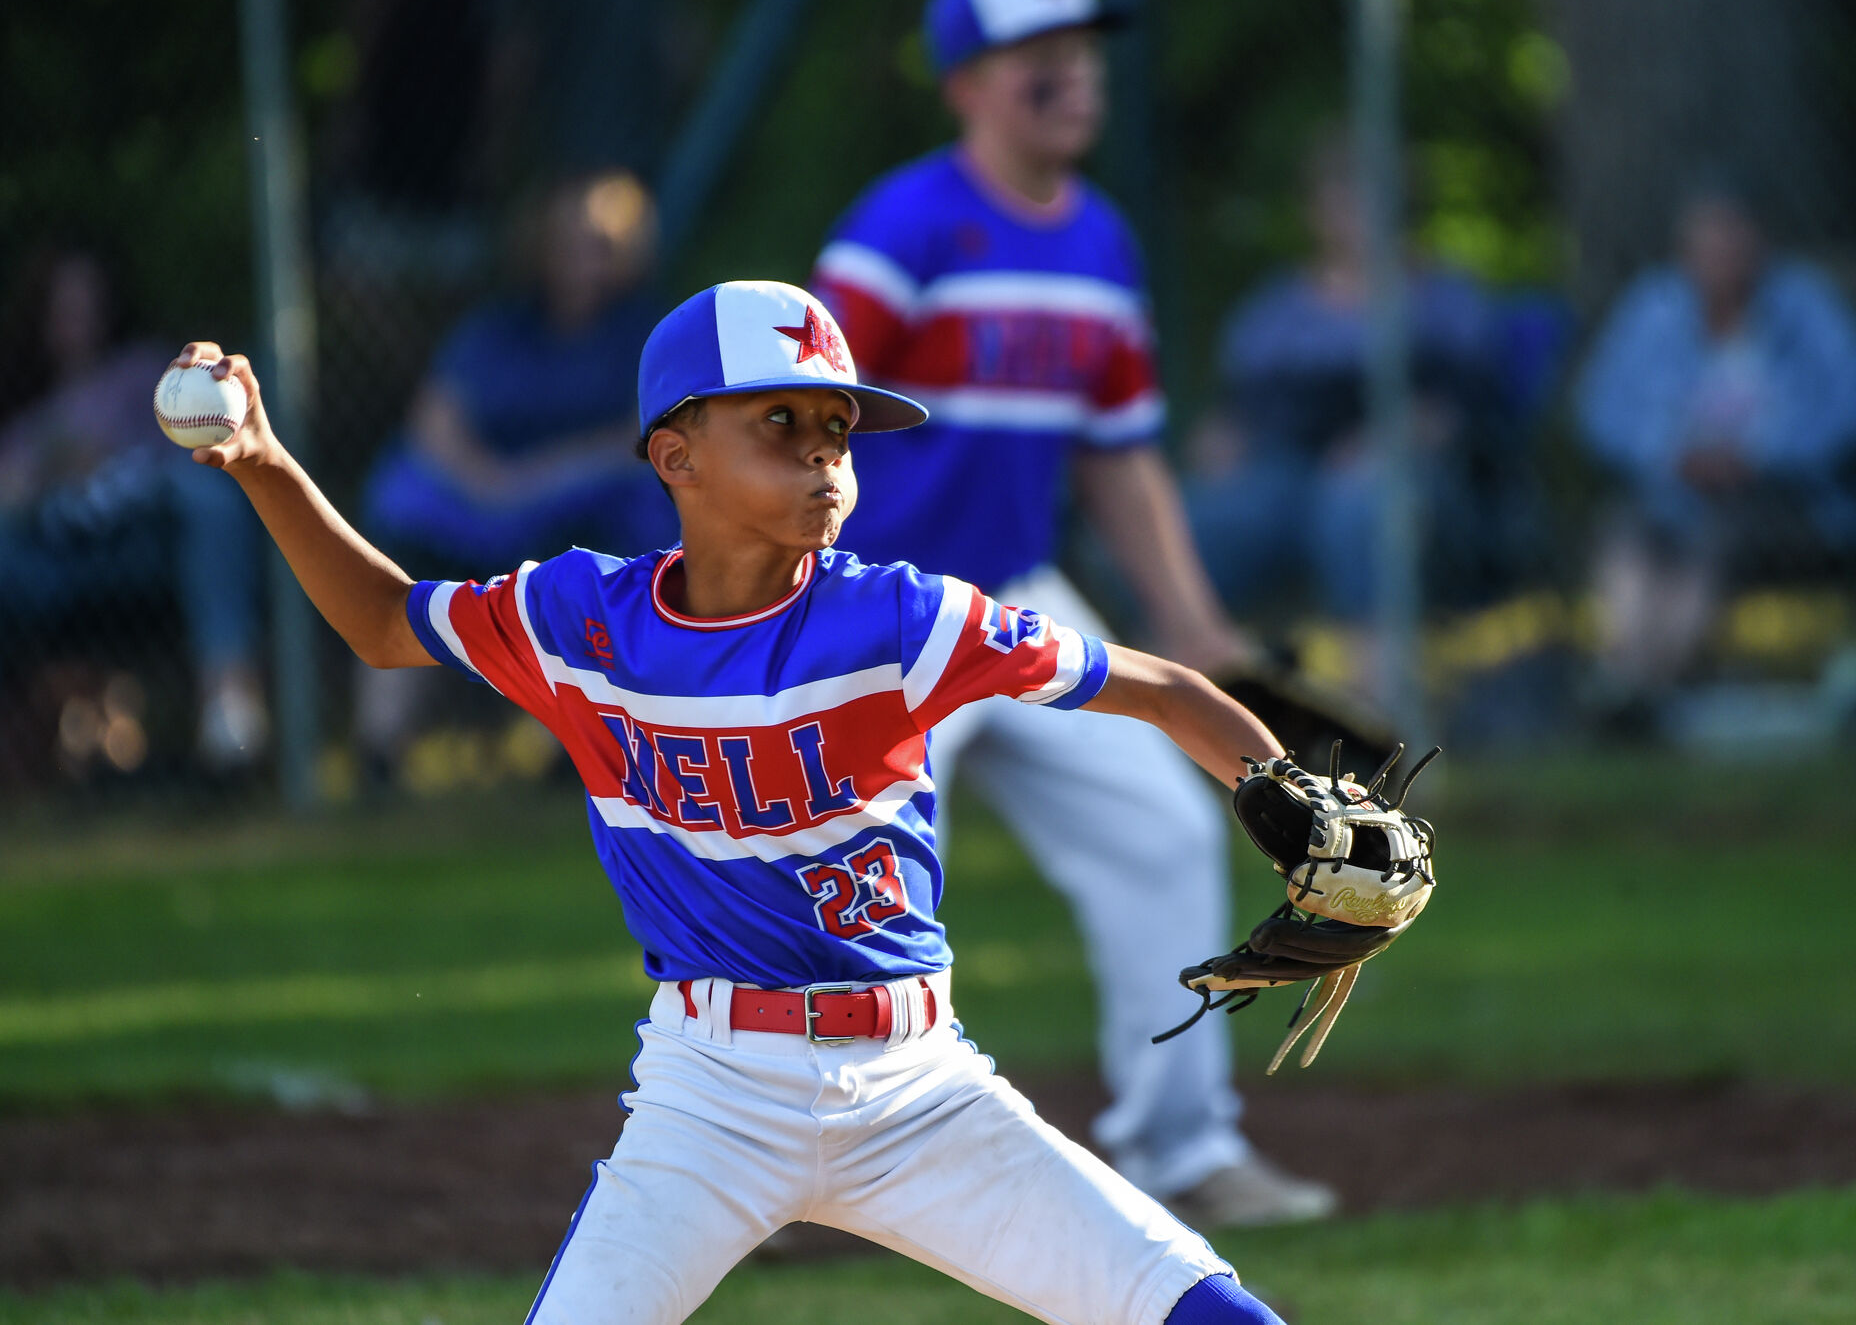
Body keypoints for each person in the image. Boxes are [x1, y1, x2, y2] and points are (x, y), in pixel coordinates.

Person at [170, 278, 1289, 1324]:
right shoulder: (577, 622)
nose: (823, 461)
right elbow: (381, 622)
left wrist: (1290, 806)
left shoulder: (904, 622)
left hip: (917, 1087)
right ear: (676, 455)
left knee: (1200, 1309)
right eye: (779, 425)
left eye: (837, 431)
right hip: (709, 1096)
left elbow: (1165, 689)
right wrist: (264, 460)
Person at [809, 0, 1334, 1225]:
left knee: (1158, 832)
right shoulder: (902, 230)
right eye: (1040, 45)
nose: (1074, 67)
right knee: (825, 876)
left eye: (1086, 44)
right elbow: (798, 413)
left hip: (1009, 606)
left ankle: (1180, 1148)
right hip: (877, 615)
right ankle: (778, 1167)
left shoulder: (1097, 241)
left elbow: (1119, 453)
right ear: (967, 83)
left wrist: (1191, 623)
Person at [353, 170, 676, 775]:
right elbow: (435, 423)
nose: (581, 261)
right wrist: (490, 482)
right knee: (401, 506)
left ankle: (574, 749)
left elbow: (645, 434)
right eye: (566, 243)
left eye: (600, 245)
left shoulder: (646, 332)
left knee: (617, 546)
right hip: (486, 499)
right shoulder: (497, 328)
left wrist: (541, 477)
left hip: (585, 503)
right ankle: (378, 752)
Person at [1183, 135, 1533, 690]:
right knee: (1209, 518)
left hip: (1409, 473)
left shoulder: (1446, 301)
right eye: (1336, 197)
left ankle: (1375, 704)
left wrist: (1392, 438)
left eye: (1366, 195)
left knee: (1359, 507)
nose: (1350, 212)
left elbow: (1466, 409)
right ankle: (1183, 699)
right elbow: (1237, 406)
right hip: (1286, 470)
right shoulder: (1276, 309)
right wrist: (1222, 438)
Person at [1575, 180, 1856, 729]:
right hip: (1673, 491)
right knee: (1628, 536)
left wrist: (1761, 455)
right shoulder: (1654, 310)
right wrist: (1669, 453)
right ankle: (1631, 682)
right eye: (1707, 248)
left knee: (1709, 540)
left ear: (1761, 248)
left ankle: (1646, 695)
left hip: (1784, 498)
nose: (1721, 261)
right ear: (1684, 254)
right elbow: (1600, 408)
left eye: (1733, 245)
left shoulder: (1806, 309)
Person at [0, 246, 267, 770]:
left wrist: (110, 459)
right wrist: (54, 468)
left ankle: (230, 702)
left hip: (144, 546)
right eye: (64, 307)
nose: (78, 321)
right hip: (57, 562)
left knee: (209, 499)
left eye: (89, 305)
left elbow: (187, 453)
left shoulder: (145, 372)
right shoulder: (30, 410)